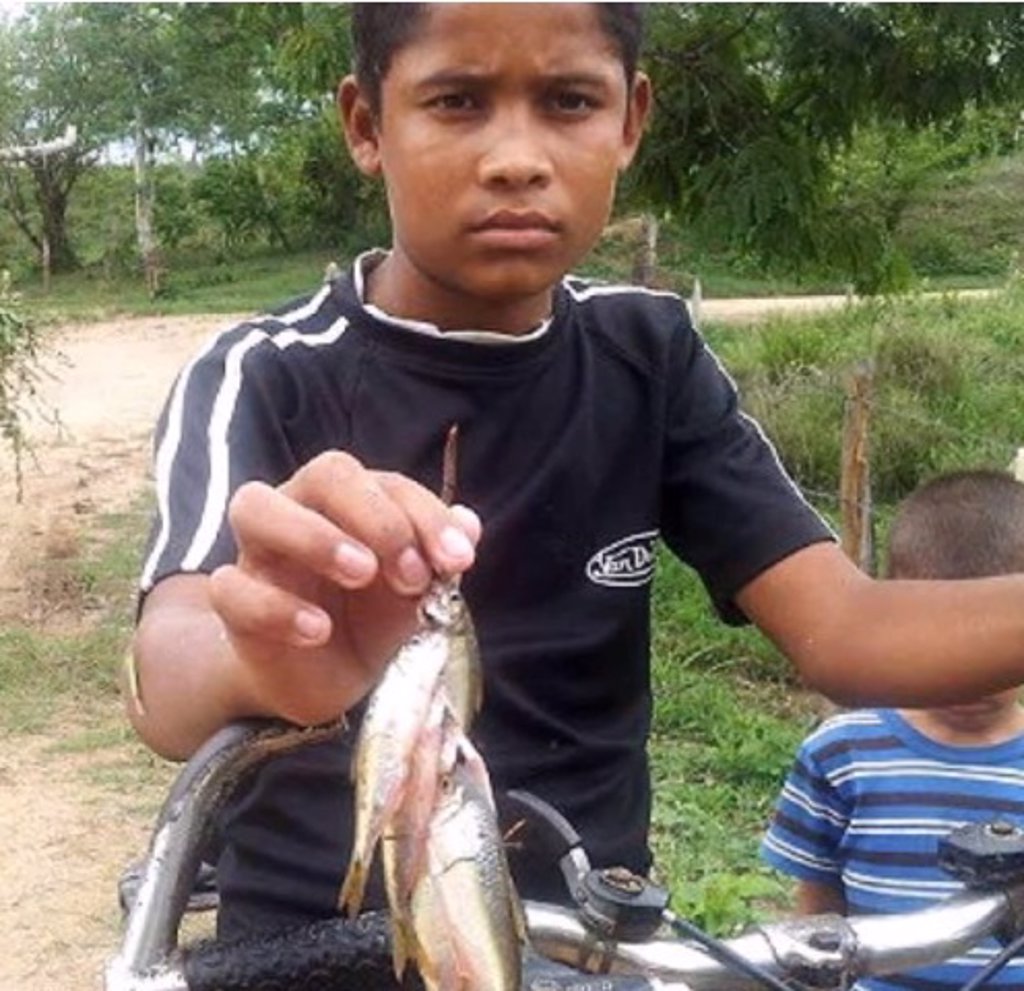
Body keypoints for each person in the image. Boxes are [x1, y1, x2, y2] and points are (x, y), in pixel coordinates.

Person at [127, 3, 1024, 941]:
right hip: (315, 940)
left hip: (589, 937)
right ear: (366, 125)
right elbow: (165, 676)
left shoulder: (651, 355)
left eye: (568, 100)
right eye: (457, 100)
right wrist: (268, 654)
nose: (517, 157)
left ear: (630, 120)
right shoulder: (264, 371)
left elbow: (847, 630)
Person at [761, 469, 1024, 990]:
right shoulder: (843, 753)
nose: (965, 675)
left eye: (987, 650)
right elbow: (818, 913)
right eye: (942, 645)